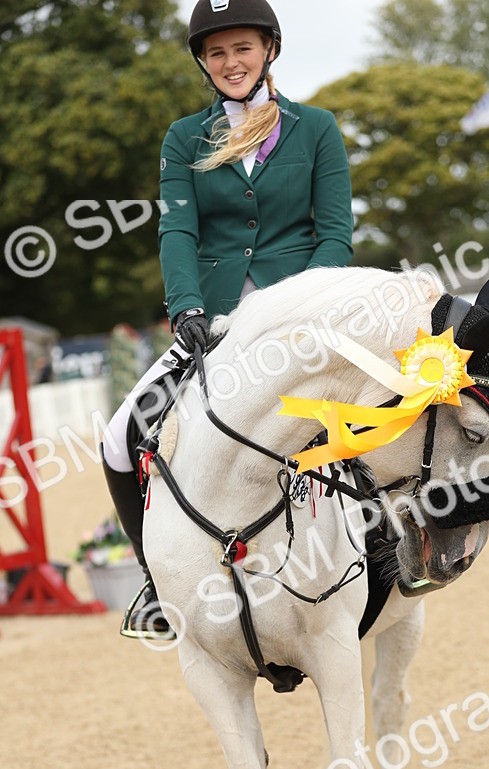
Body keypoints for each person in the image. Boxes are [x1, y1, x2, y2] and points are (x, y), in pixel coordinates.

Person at [102, 0, 354, 639]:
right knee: (120, 436)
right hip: (211, 326)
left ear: (269, 48)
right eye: (216, 52)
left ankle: (398, 546)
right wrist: (186, 306)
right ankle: (158, 588)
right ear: (203, 63)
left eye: (241, 47)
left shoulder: (316, 128)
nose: (230, 62)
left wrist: (306, 306)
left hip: (301, 320)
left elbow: (335, 233)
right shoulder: (185, 138)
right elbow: (178, 229)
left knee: (386, 423)